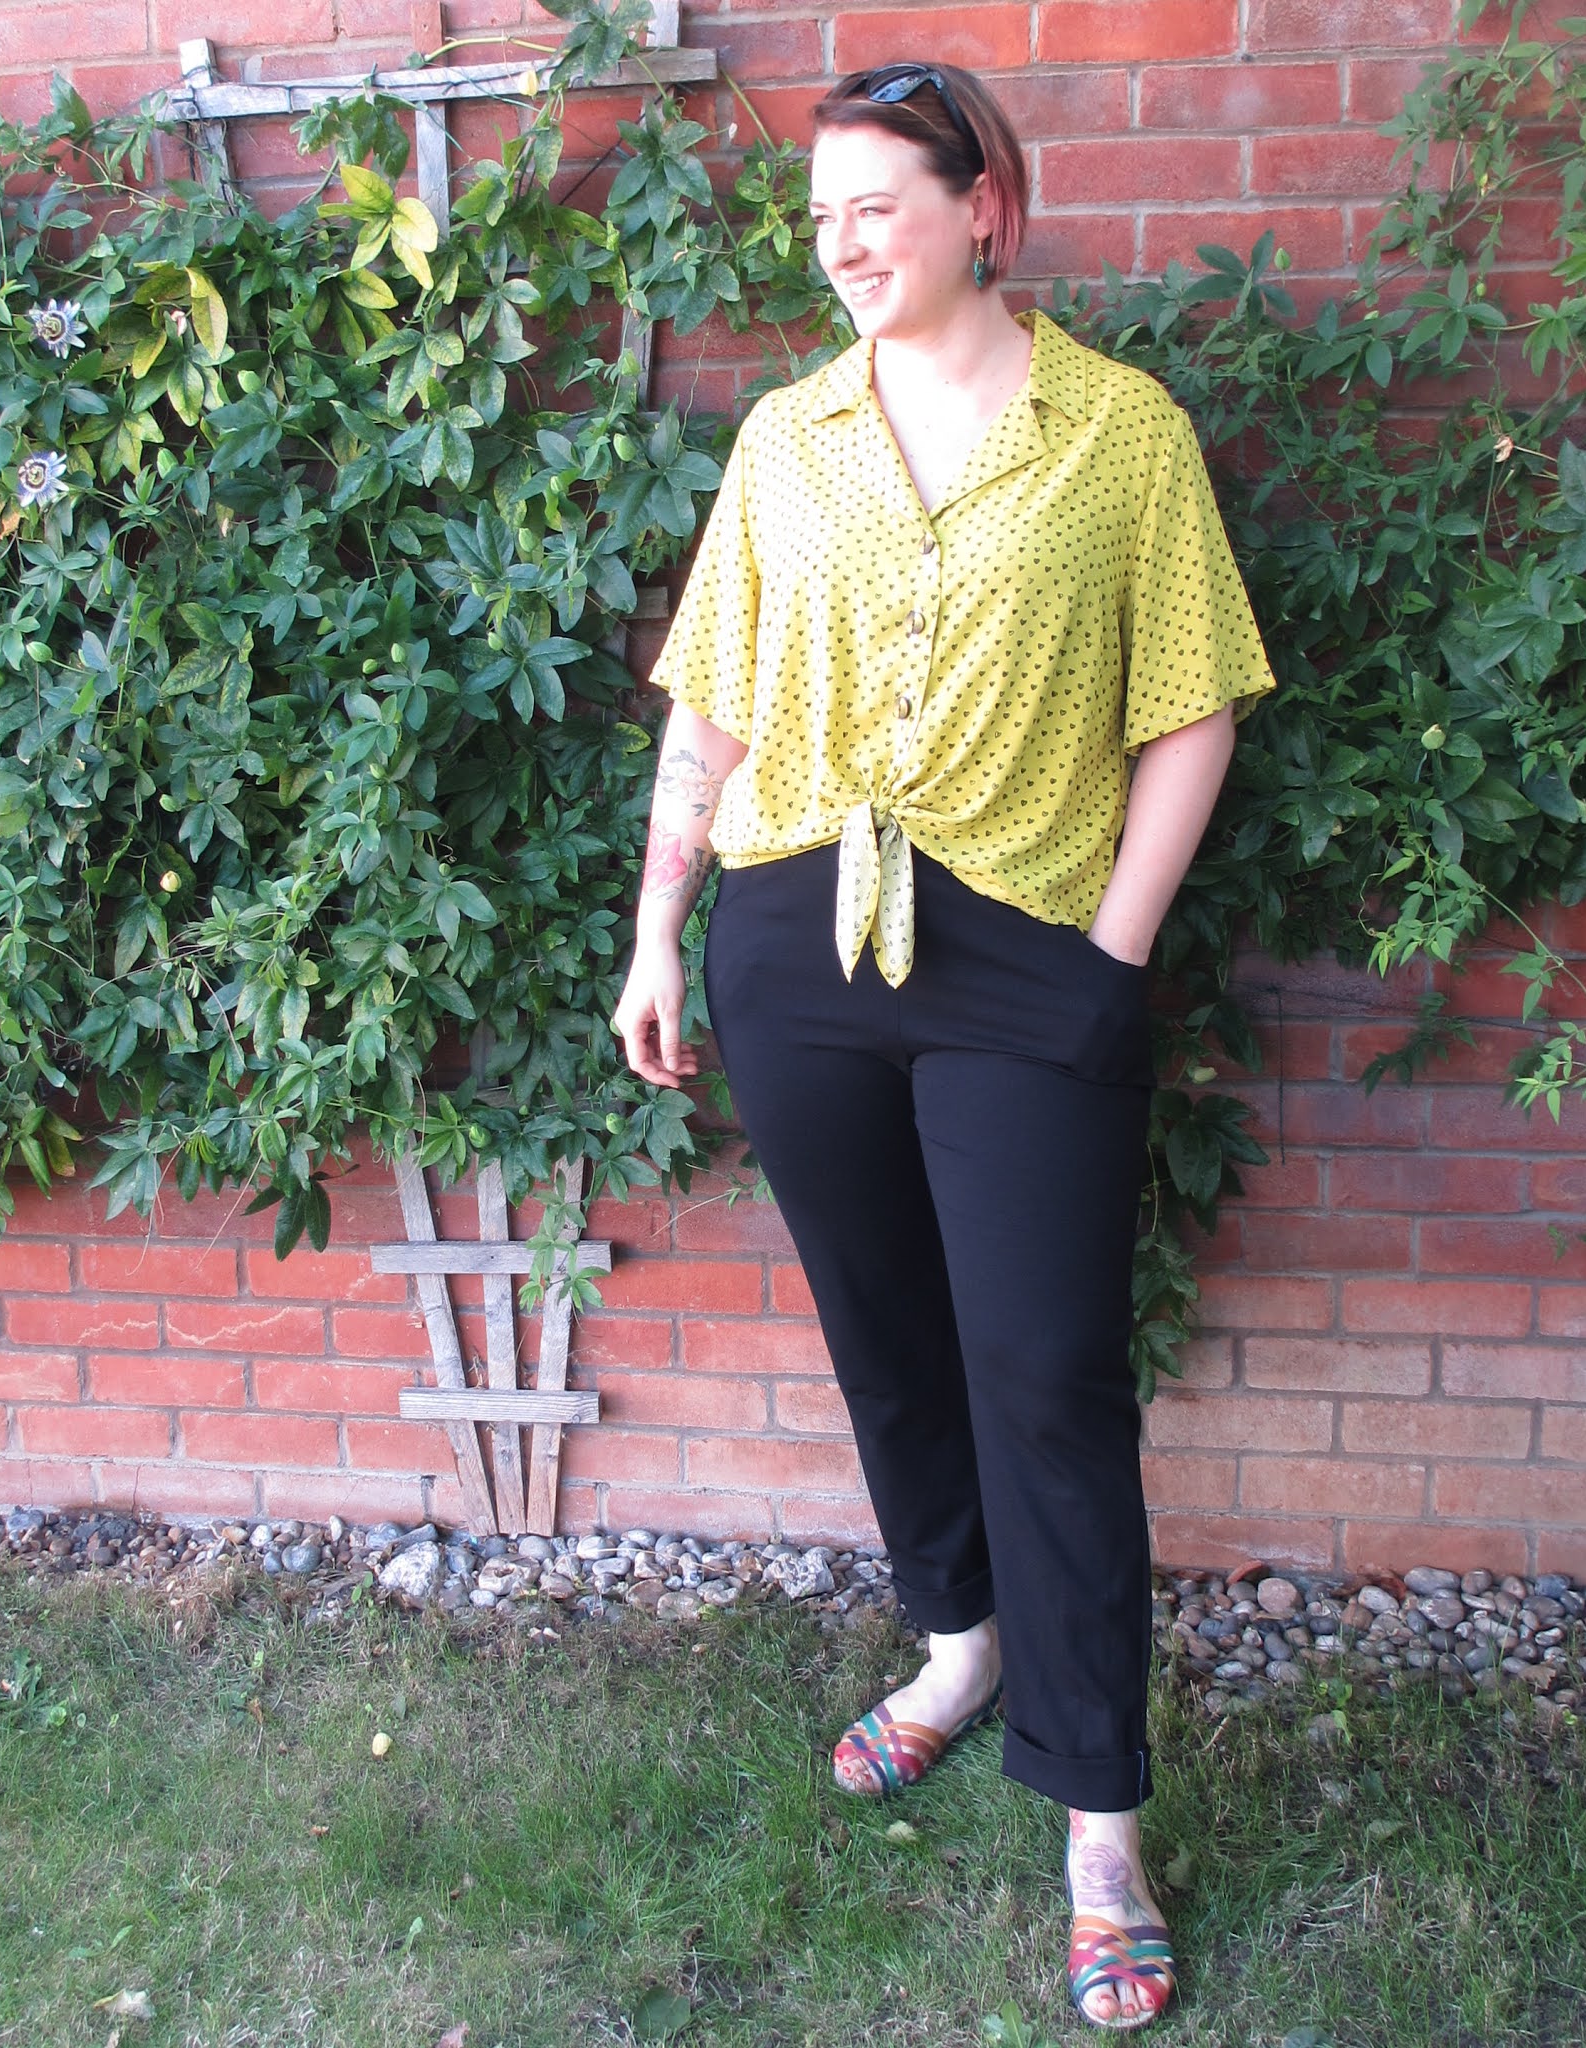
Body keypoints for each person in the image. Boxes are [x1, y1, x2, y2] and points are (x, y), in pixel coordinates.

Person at [613, 60, 1274, 2032]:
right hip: (795, 939)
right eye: (819, 216)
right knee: (886, 1331)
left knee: (1049, 1375)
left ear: (985, 202)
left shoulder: (1119, 435)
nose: (839, 245)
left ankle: (1097, 1818)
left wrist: (1110, 955)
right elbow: (714, 706)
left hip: (1026, 951)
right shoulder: (789, 438)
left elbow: (1193, 708)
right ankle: (959, 1642)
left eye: (874, 206)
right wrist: (658, 928)